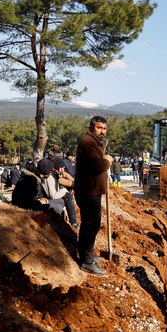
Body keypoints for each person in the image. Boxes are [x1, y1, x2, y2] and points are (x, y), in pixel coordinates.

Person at [75, 116, 113, 276]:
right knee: (91, 225)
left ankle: (85, 255)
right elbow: (98, 167)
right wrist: (108, 161)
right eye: (99, 128)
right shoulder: (88, 142)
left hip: (91, 191)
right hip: (88, 192)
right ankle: (87, 262)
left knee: (90, 225)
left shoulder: (93, 142)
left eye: (104, 128)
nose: (102, 131)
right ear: (91, 127)